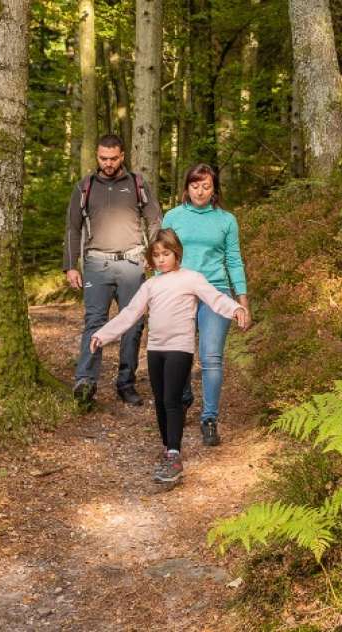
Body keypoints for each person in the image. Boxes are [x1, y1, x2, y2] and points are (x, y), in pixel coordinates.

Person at [90, 229, 248, 482]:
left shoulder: (191, 279)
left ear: (177, 254)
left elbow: (215, 298)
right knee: (161, 401)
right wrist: (102, 335)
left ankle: (174, 454)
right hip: (155, 349)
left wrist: (236, 308)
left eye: (166, 254)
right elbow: (130, 313)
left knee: (173, 400)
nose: (161, 259)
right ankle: (168, 450)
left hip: (179, 349)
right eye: (156, 255)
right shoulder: (150, 285)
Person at [63, 134, 162, 408]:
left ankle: (126, 383)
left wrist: (154, 256)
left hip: (132, 263)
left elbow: (155, 220)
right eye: (103, 158)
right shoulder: (85, 187)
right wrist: (70, 266)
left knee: (134, 323)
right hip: (96, 264)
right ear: (97, 156)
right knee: (94, 322)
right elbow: (72, 228)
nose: (108, 163)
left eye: (113, 159)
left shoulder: (137, 184)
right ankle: (85, 382)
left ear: (122, 156)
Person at [162, 164, 251, 446]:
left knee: (211, 356)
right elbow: (162, 255)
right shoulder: (173, 217)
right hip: (180, 291)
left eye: (206, 186)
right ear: (186, 188)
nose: (200, 191)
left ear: (214, 190)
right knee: (179, 352)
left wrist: (242, 301)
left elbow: (234, 260)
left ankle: (209, 418)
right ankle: (183, 395)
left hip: (216, 292)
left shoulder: (226, 220)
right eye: (195, 186)